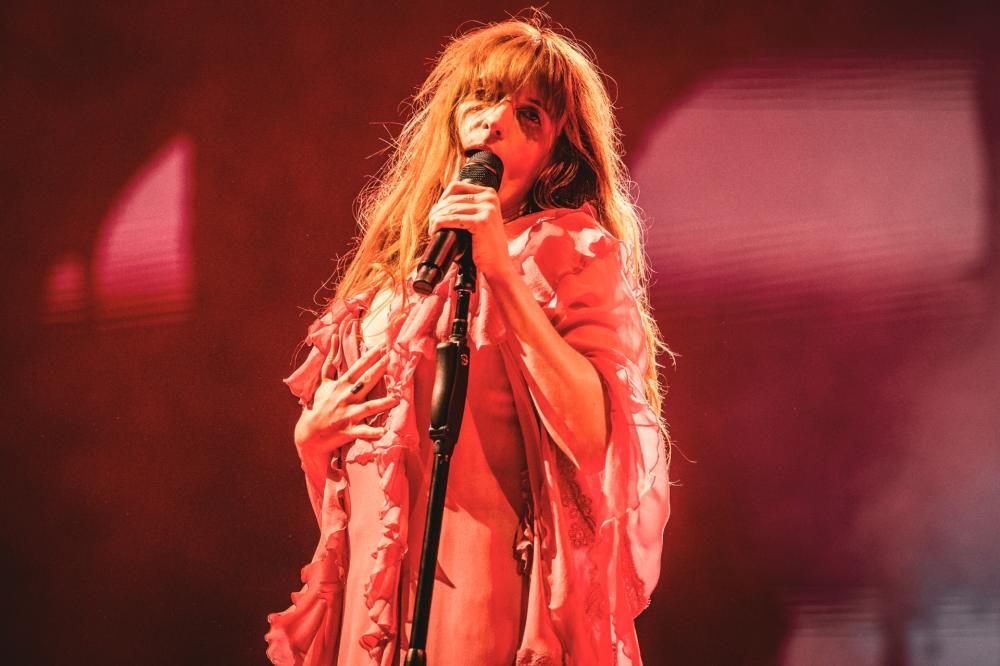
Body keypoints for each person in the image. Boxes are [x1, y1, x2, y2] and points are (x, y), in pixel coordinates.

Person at [266, 14, 671, 666]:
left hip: (488, 598)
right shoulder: (394, 275)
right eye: (482, 99)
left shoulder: (567, 252)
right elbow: (371, 488)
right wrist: (312, 444)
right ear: (452, 119)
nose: (496, 122)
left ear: (555, 156)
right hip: (376, 607)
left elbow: (597, 438)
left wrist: (502, 275)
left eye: (529, 115)